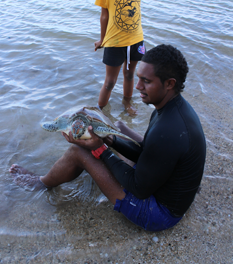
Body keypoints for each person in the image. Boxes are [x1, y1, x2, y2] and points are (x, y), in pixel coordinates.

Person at [10, 44, 206, 232]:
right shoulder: (173, 108)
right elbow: (147, 151)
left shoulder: (168, 132)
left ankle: (41, 183)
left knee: (78, 152)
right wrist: (109, 141)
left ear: (169, 83)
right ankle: (105, 143)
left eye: (146, 81)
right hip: (166, 185)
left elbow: (138, 188)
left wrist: (100, 150)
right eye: (138, 78)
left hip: (159, 213)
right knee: (113, 128)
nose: (137, 86)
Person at [94, 0, 146, 115]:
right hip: (115, 42)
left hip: (136, 40)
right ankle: (99, 113)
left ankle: (127, 104)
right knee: (110, 82)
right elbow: (105, 15)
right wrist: (102, 39)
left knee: (130, 75)